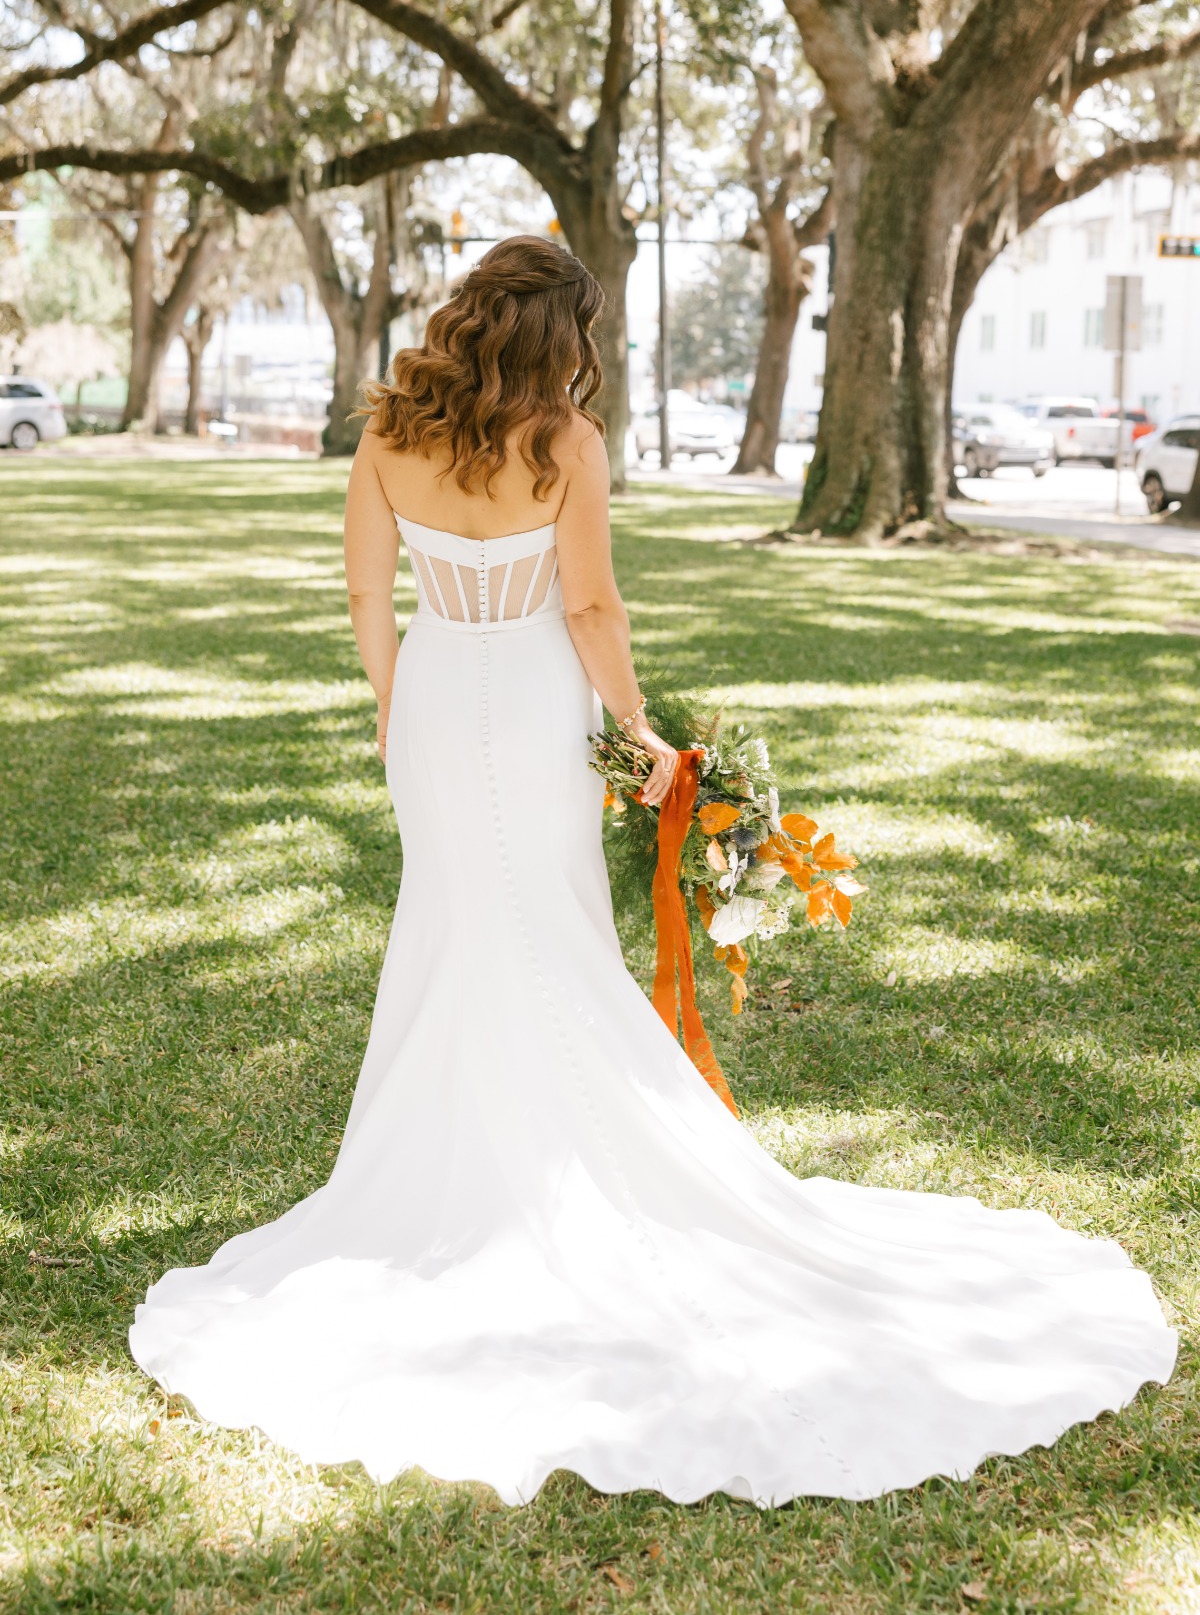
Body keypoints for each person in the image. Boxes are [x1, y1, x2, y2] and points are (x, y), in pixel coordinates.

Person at [130, 236, 1175, 1505]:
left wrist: (401, 702)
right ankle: (559, 1170)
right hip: (531, 697)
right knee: (551, 924)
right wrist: (641, 739)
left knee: (460, 923)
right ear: (557, 334)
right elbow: (591, 610)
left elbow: (364, 588)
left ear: (471, 317)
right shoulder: (564, 442)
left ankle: (462, 1170)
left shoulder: (390, 428)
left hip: (433, 697)